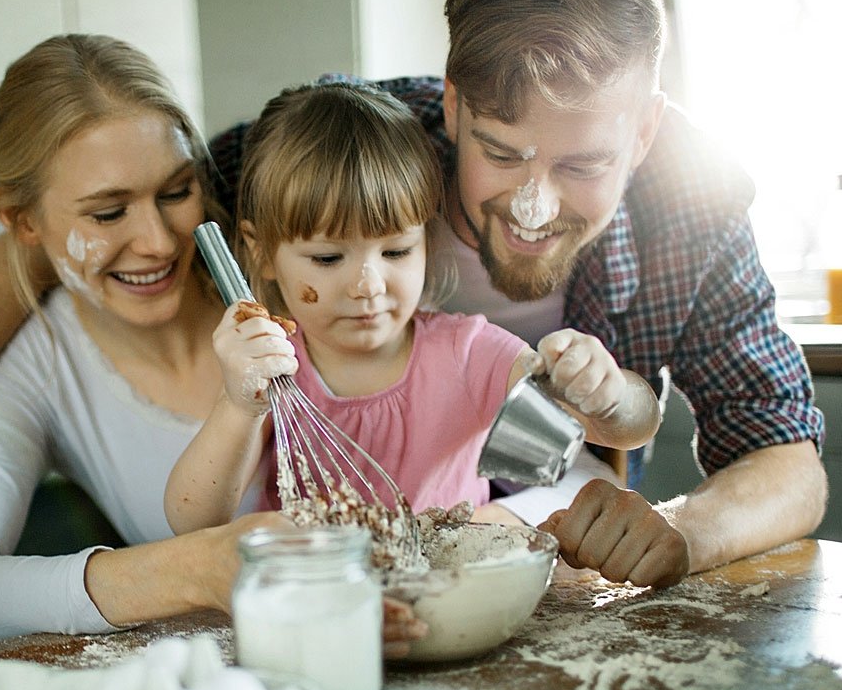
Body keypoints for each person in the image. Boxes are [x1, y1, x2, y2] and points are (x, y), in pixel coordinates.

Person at [0, 0, 825, 593]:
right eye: (501, 153)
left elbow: (784, 451)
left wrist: (681, 530)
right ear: (447, 105)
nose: (534, 204)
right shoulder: (347, 148)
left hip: (548, 565)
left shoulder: (690, 206)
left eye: (582, 165)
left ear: (644, 130)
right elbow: (77, 236)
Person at [0, 34, 299, 654]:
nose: (159, 242)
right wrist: (188, 568)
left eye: (175, 192)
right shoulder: (41, 366)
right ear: (20, 221)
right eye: (108, 214)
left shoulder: (287, 268)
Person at [164, 82, 661, 551]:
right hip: (324, 604)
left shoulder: (469, 354)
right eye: (328, 259)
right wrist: (238, 405)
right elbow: (193, 521)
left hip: (454, 602)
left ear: (427, 238)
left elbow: (627, 428)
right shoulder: (273, 369)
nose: (368, 286)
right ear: (263, 252)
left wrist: (607, 393)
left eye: (397, 251)